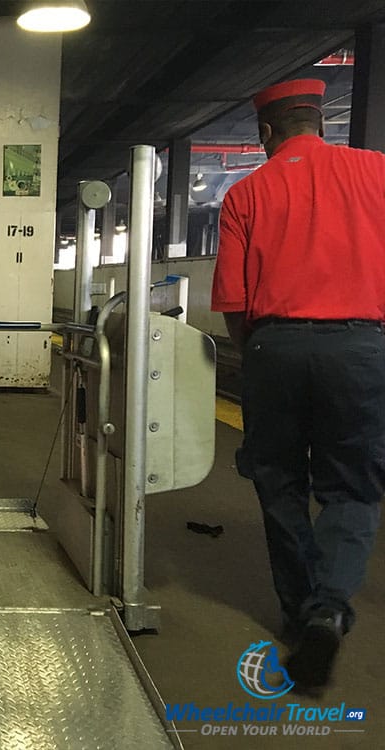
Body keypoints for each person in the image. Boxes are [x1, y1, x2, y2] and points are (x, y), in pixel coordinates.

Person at [211, 78, 385, 695]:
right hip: (362, 345)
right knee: (353, 486)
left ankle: (298, 609)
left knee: (277, 477)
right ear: (320, 121)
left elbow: (233, 300)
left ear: (265, 134)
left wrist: (258, 352)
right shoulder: (378, 173)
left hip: (274, 346)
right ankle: (330, 607)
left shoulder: (247, 193)